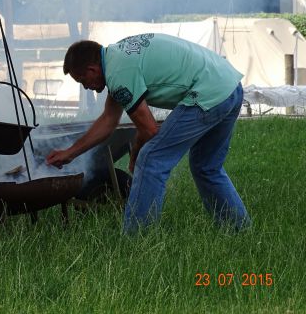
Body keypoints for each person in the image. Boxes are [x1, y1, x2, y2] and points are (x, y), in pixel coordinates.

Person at [46, 33, 251, 234]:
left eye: (83, 80)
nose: (86, 87)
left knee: (151, 159)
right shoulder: (118, 58)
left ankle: (137, 238)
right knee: (207, 167)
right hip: (229, 86)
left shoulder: (119, 74)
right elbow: (109, 120)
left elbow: (149, 130)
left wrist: (136, 154)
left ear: (92, 69)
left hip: (207, 93)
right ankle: (239, 229)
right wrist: (70, 153)